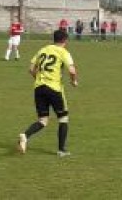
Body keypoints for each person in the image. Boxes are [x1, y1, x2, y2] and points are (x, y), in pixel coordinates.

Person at [17, 29, 78, 157]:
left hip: (39, 88)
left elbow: (31, 69)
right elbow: (72, 71)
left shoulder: (43, 49)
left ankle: (25, 135)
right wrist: (73, 81)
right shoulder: (64, 52)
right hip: (54, 89)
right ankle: (61, 150)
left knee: (43, 120)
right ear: (65, 40)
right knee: (63, 118)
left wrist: (39, 79)